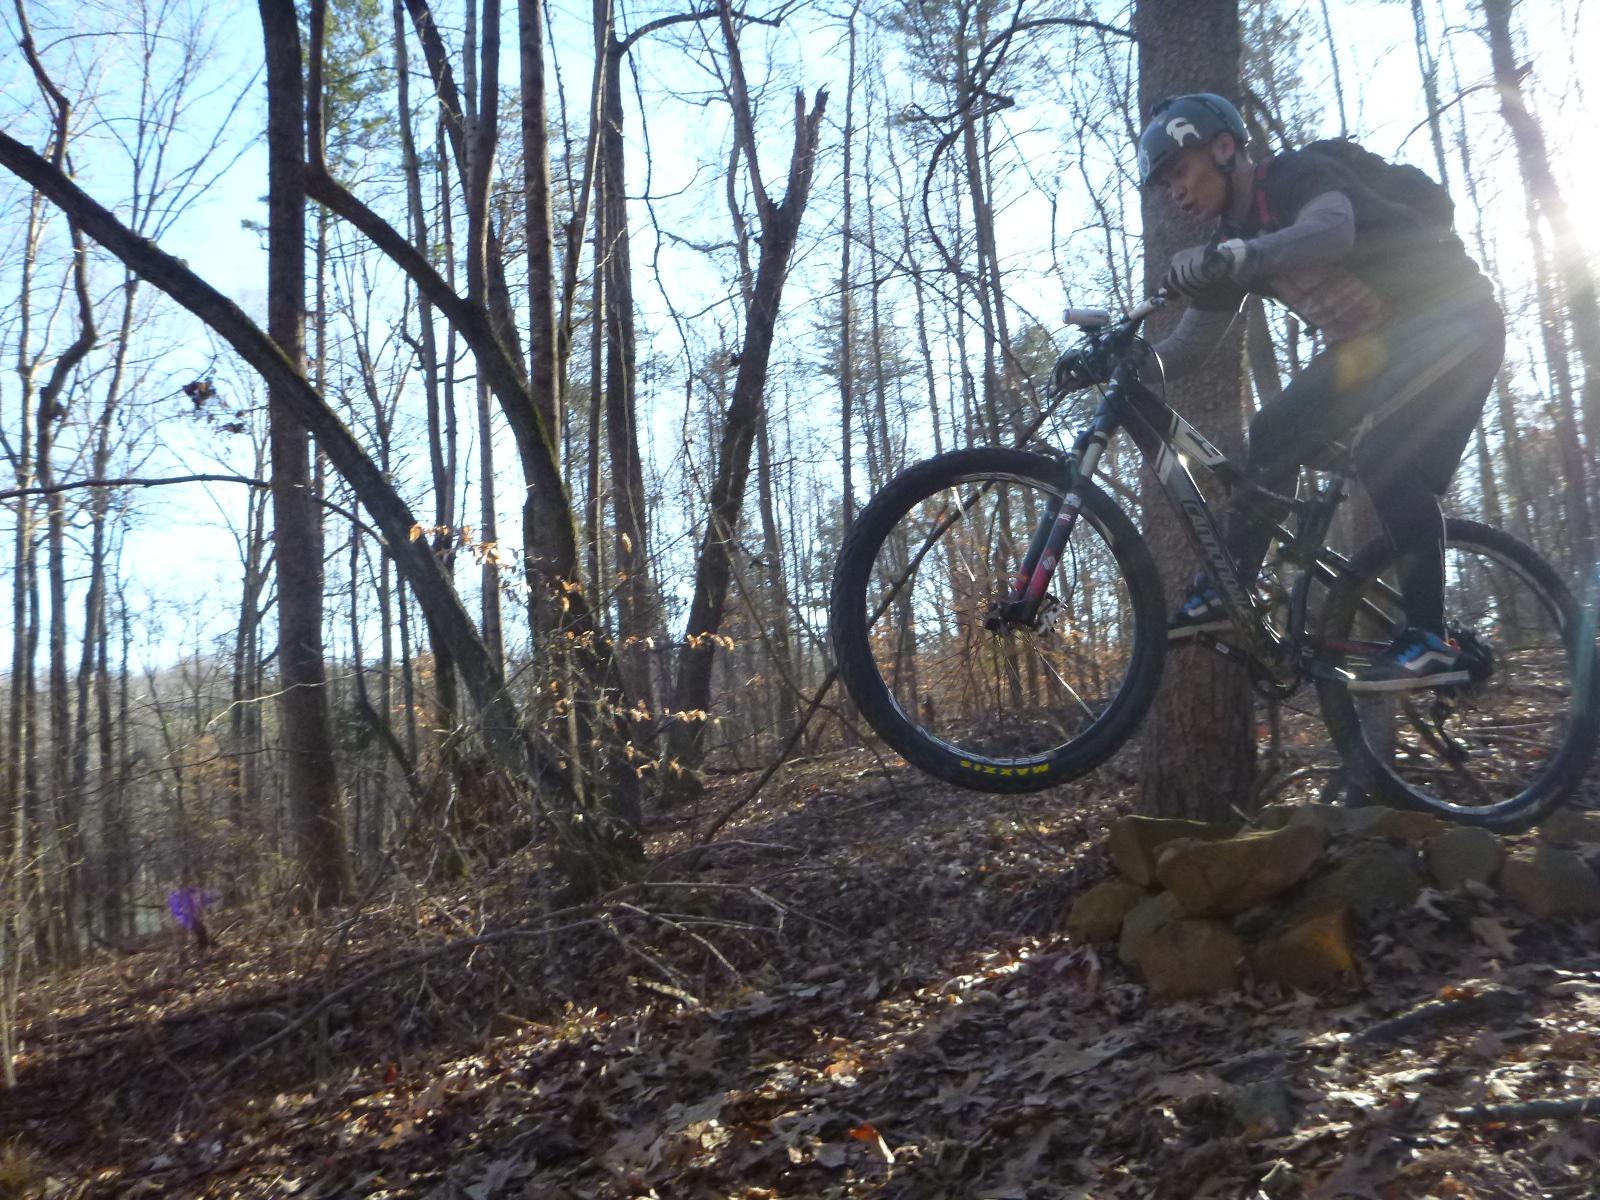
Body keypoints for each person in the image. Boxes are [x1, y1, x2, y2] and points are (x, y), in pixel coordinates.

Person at [1134, 92, 1505, 691]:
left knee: (1386, 457)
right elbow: (1189, 347)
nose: (1175, 191)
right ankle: (1233, 591)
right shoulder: (1236, 238)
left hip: (1454, 320)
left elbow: (1331, 231)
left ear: (1225, 149)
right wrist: (1127, 361)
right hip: (1382, 346)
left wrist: (1238, 255)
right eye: (1165, 182)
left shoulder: (1295, 175)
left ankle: (1431, 640)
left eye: (1180, 170)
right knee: (1274, 429)